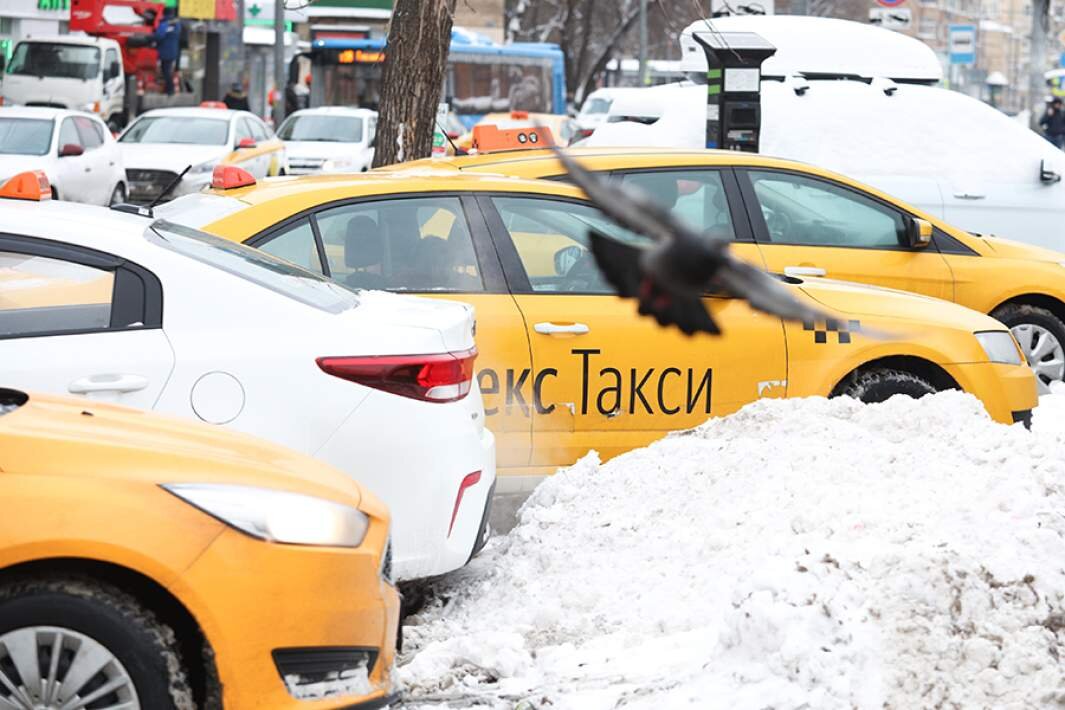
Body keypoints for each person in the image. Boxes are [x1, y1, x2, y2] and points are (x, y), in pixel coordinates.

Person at [153, 7, 181, 96]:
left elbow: (159, 36)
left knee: (165, 71)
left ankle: (170, 89)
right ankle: (168, 88)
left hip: (164, 51)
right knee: (167, 70)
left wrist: (151, 38)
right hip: (173, 51)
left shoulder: (164, 24)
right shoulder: (177, 25)